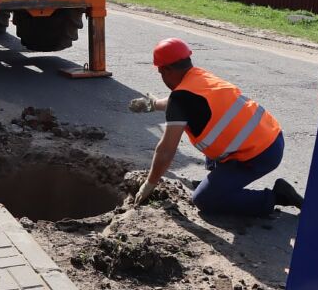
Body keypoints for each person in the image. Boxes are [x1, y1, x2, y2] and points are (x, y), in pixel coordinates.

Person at [128, 37, 304, 216]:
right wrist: (154, 104)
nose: (162, 78)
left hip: (258, 155)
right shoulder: (199, 76)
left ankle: (276, 197)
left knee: (204, 200)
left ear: (166, 70)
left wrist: (150, 183)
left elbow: (166, 150)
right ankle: (218, 181)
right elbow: (183, 102)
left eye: (161, 73)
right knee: (205, 126)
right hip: (271, 136)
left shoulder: (180, 99)